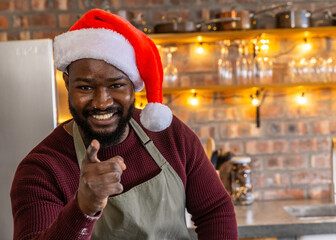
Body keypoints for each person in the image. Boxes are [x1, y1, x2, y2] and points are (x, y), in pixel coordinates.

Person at [10, 9, 238, 240]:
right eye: (85, 87)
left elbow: (215, 210)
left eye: (116, 85)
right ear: (68, 83)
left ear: (133, 85)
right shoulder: (41, 169)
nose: (101, 102)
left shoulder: (169, 135)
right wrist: (83, 209)